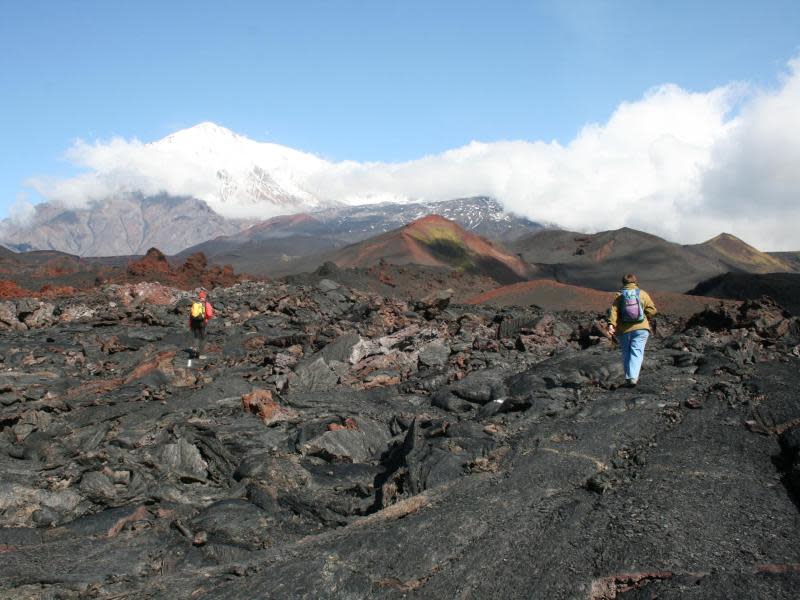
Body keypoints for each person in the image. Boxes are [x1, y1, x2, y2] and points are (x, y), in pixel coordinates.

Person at [607, 274, 656, 387]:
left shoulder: (619, 295)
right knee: (637, 351)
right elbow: (652, 310)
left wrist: (611, 325)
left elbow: (614, 312)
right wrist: (644, 317)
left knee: (626, 353)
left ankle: (629, 377)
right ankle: (632, 377)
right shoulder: (642, 293)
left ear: (623, 282)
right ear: (635, 282)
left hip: (623, 330)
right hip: (641, 328)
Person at [188, 290, 214, 358]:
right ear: (204, 297)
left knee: (196, 337)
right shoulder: (206, 304)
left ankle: (194, 352)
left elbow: (191, 314)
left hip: (194, 323)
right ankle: (201, 354)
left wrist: (190, 324)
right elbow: (209, 314)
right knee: (202, 337)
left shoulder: (195, 303)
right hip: (202, 323)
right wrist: (207, 318)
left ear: (199, 297)